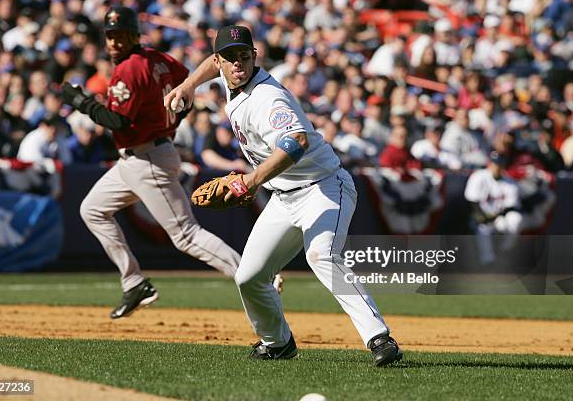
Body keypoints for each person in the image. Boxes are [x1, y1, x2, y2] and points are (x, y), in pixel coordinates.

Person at [164, 25, 401, 367]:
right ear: (220, 61)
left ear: (254, 57)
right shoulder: (228, 75)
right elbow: (210, 65)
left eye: (244, 56)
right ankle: (277, 342)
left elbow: (297, 141)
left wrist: (251, 180)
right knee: (249, 276)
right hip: (284, 196)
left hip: (324, 188)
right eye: (229, 58)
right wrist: (187, 85)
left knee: (322, 255)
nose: (237, 64)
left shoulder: (267, 97)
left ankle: (380, 338)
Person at [60, 6, 242, 319]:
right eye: (111, 35)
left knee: (186, 236)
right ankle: (134, 283)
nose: (115, 42)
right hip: (139, 157)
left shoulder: (130, 67)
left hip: (147, 159)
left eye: (121, 35)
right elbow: (186, 84)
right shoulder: (158, 59)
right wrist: (172, 117)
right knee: (92, 210)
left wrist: (80, 101)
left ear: (133, 35)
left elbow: (115, 121)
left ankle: (251, 273)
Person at [464, 151, 523, 266]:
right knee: (483, 229)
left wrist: (498, 216)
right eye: (495, 164)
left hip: (499, 217)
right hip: (481, 216)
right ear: (489, 164)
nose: (497, 167)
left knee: (516, 219)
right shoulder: (478, 177)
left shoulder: (509, 181)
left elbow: (512, 206)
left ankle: (504, 251)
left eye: (500, 164)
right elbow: (471, 201)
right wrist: (482, 216)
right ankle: (488, 261)